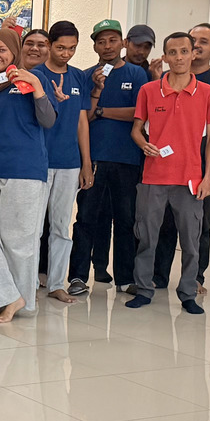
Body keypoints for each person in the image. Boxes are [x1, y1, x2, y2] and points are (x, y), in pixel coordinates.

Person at [125, 32, 210, 314]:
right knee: (146, 237)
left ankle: (188, 293)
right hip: (153, 177)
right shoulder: (149, 90)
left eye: (184, 51)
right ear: (165, 57)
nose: (179, 57)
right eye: (173, 52)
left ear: (193, 54)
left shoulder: (208, 93)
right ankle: (144, 288)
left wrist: (207, 177)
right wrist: (143, 144)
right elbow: (136, 129)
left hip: (190, 179)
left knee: (191, 241)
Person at [0, 28, 56, 323]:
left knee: (18, 240)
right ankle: (6, 296)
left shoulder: (31, 80)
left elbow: (48, 120)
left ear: (14, 52)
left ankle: (21, 300)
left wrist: (37, 86)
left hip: (24, 171)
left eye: (2, 50)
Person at [152, 23, 210, 293]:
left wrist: (198, 117)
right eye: (194, 40)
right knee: (165, 223)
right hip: (167, 164)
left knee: (200, 225)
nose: (197, 45)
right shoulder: (164, 79)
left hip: (203, 164)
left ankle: (196, 278)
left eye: (204, 41)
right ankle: (159, 277)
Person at [67, 20, 146, 296]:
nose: (107, 46)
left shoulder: (136, 74)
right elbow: (83, 117)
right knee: (86, 218)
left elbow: (140, 112)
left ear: (122, 43)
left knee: (126, 220)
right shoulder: (86, 76)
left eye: (112, 40)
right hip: (94, 158)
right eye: (101, 42)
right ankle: (78, 276)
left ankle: (125, 278)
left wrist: (102, 111)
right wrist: (96, 93)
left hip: (127, 158)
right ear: (94, 47)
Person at [31, 22, 92, 304]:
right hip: (38, 162)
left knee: (61, 226)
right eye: (60, 48)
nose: (66, 53)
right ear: (48, 46)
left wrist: (86, 162)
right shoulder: (35, 75)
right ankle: (28, 281)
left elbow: (82, 121)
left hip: (69, 163)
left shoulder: (79, 77)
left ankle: (56, 283)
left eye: (72, 48)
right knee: (33, 227)